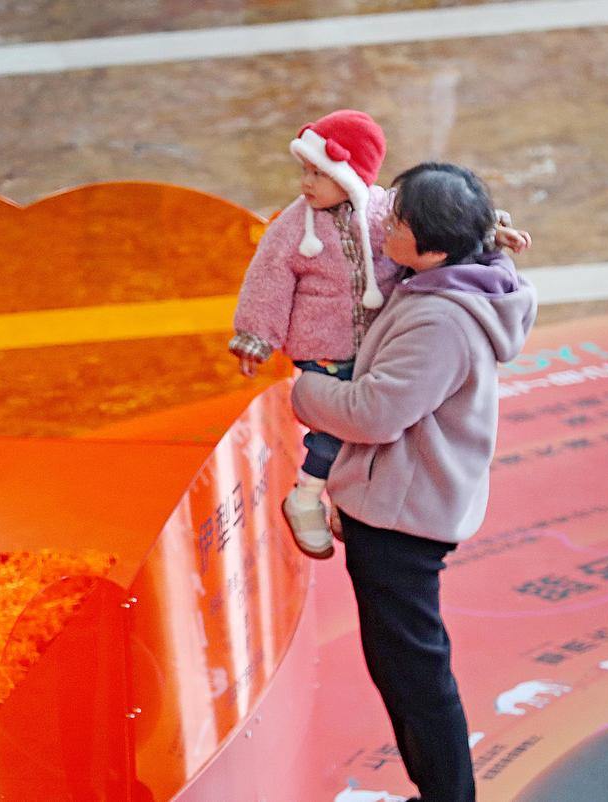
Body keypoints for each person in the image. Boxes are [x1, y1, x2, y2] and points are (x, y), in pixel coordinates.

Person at [290, 162, 538, 802]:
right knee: (403, 665)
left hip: (402, 517)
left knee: (413, 674)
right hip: (403, 498)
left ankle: (447, 795)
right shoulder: (456, 274)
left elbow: (375, 413)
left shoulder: (440, 321)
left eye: (397, 222)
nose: (384, 227)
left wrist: (304, 391)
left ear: (433, 247)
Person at [229, 110, 529, 560]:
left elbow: (440, 224)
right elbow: (268, 280)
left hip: (377, 342)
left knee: (368, 427)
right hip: (325, 349)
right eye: (305, 170)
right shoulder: (292, 228)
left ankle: (346, 502)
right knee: (336, 430)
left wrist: (488, 231)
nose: (306, 183)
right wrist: (256, 333)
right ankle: (306, 496)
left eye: (319, 173)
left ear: (352, 174)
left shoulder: (384, 211)